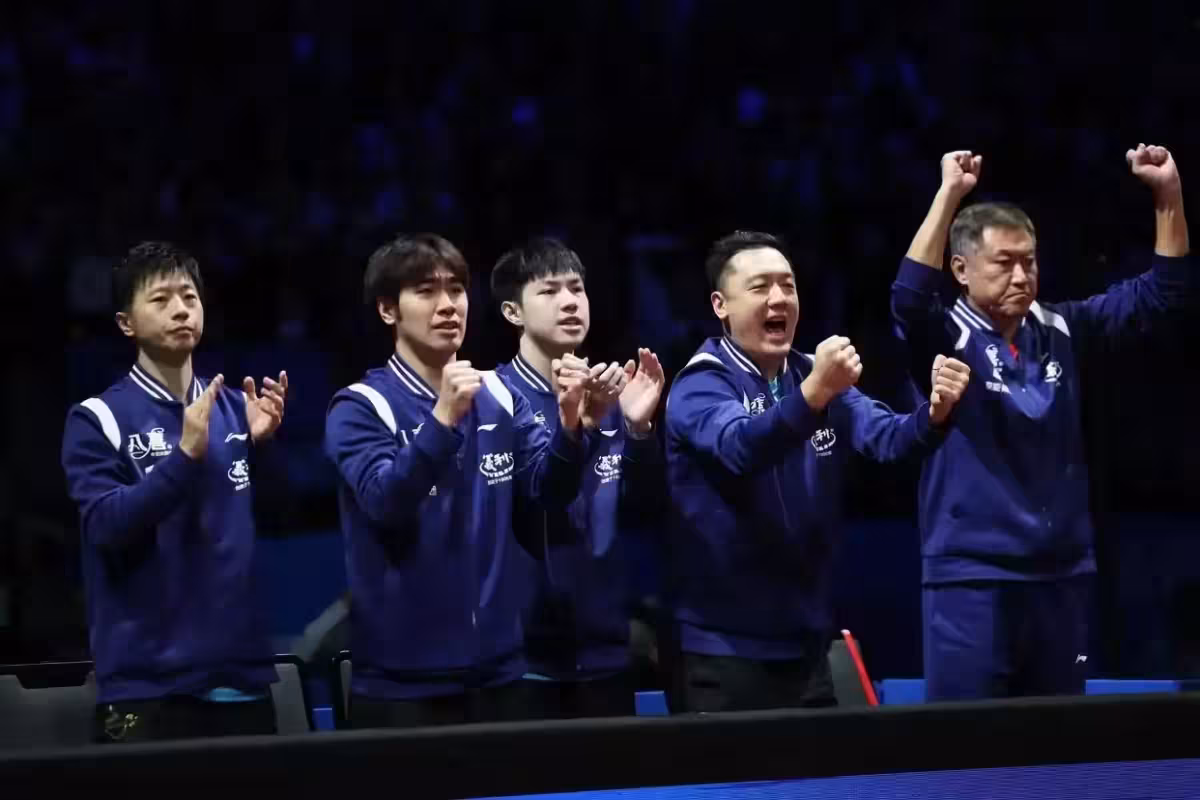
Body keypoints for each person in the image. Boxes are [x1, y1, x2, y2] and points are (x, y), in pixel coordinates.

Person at [892, 145, 1192, 700]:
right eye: (1003, 262)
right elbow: (908, 298)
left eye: (1029, 261)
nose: (1021, 275)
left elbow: (1163, 296)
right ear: (960, 270)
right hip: (972, 579)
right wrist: (949, 194)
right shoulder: (942, 337)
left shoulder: (1064, 327)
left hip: (1062, 577)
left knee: (1057, 742)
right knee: (966, 743)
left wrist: (1168, 194)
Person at [665, 231, 970, 713]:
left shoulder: (811, 373)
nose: (779, 298)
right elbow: (741, 448)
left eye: (787, 285)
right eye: (760, 287)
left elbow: (887, 439)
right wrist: (813, 395)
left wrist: (934, 414)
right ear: (721, 305)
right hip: (723, 649)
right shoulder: (701, 382)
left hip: (808, 644)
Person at [325, 233, 595, 728]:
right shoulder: (360, 405)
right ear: (388, 310)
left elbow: (548, 493)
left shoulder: (499, 395)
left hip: (501, 674)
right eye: (426, 291)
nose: (448, 305)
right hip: (402, 685)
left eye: (456, 289)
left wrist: (571, 427)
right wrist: (442, 420)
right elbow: (385, 503)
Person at [61, 242, 288, 742]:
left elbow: (266, 521)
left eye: (189, 296)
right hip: (146, 689)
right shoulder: (97, 418)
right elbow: (106, 528)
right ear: (126, 323)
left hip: (241, 680)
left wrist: (263, 447)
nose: (181, 309)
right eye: (161, 299)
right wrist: (184, 457)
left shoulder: (235, 407)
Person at [490, 237, 665, 718]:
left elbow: (643, 508)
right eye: (549, 291)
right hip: (522, 663)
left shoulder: (609, 395)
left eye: (577, 289)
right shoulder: (492, 399)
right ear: (512, 312)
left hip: (608, 654)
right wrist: (577, 428)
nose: (569, 302)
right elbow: (545, 495)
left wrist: (640, 431)